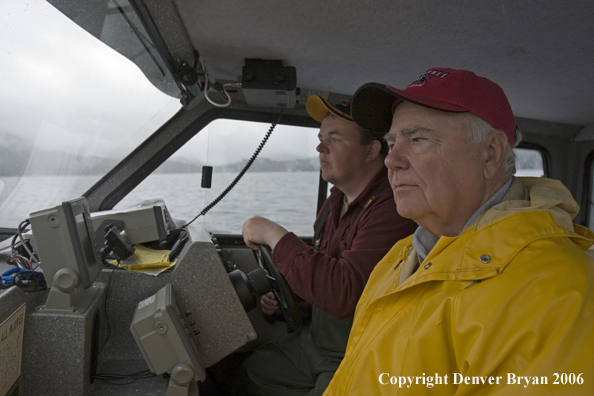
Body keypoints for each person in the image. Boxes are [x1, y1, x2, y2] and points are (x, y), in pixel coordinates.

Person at [323, 68, 594, 395]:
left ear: (490, 154)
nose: (391, 160)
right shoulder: (400, 257)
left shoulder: (557, 291)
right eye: (392, 142)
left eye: (418, 138)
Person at [235, 95, 417, 396]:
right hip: (316, 340)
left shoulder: (393, 209)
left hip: (356, 351)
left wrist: (274, 235)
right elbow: (325, 270)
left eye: (335, 139)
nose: (320, 147)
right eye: (321, 139)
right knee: (253, 373)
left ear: (371, 150)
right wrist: (292, 296)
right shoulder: (336, 200)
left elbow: (345, 293)